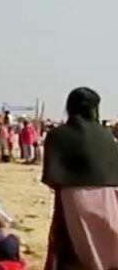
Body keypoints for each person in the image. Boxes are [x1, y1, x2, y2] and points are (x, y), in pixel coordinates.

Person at [42, 87, 118, 270]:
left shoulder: (57, 135)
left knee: (69, 247)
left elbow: (52, 176)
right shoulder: (106, 134)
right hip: (110, 198)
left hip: (73, 198)